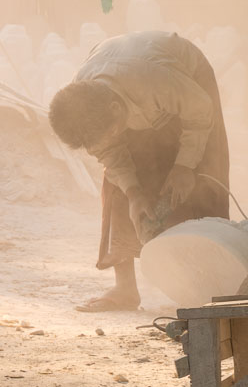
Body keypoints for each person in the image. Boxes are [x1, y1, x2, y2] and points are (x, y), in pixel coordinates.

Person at [48, 30, 230, 312]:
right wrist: (134, 194)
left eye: (113, 132)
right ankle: (125, 289)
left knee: (204, 171)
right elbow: (110, 154)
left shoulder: (155, 81)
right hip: (129, 84)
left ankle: (212, 280)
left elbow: (200, 112)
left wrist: (184, 166)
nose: (109, 142)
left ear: (115, 108)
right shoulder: (81, 106)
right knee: (116, 181)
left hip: (187, 81)